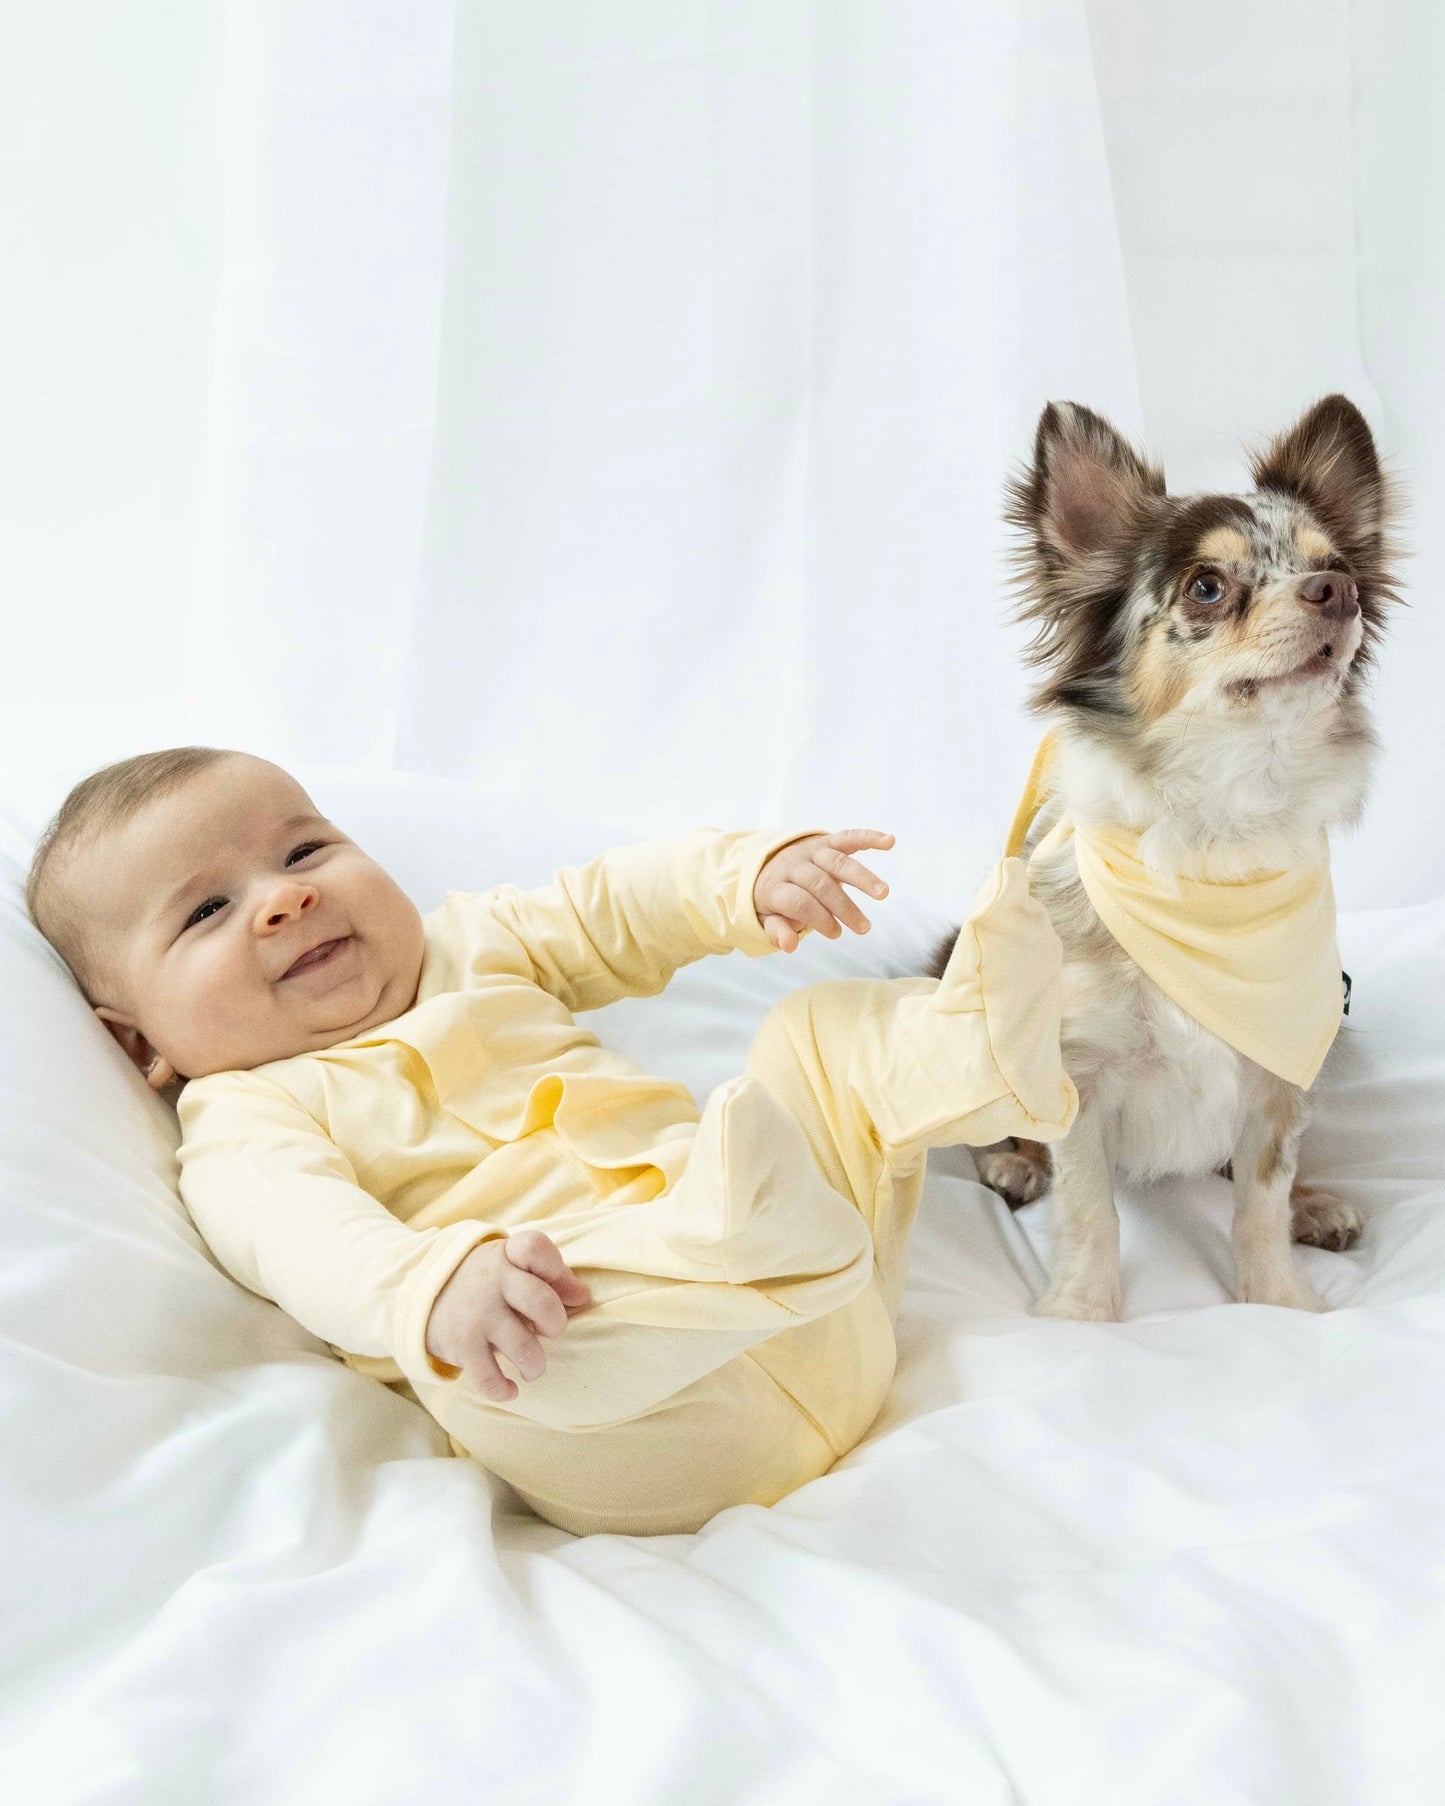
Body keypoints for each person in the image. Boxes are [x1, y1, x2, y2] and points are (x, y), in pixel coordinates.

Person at [25, 746, 1078, 1535]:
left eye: (305, 851)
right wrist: (430, 1288)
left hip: (833, 1308)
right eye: (207, 911)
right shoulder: (246, 1122)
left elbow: (609, 907)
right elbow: (310, 1241)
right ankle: (718, 1248)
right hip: (635, 1425)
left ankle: (977, 1056)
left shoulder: (468, 947)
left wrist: (741, 880)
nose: (285, 897)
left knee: (811, 1033)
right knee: (507, 1357)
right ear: (140, 1045)